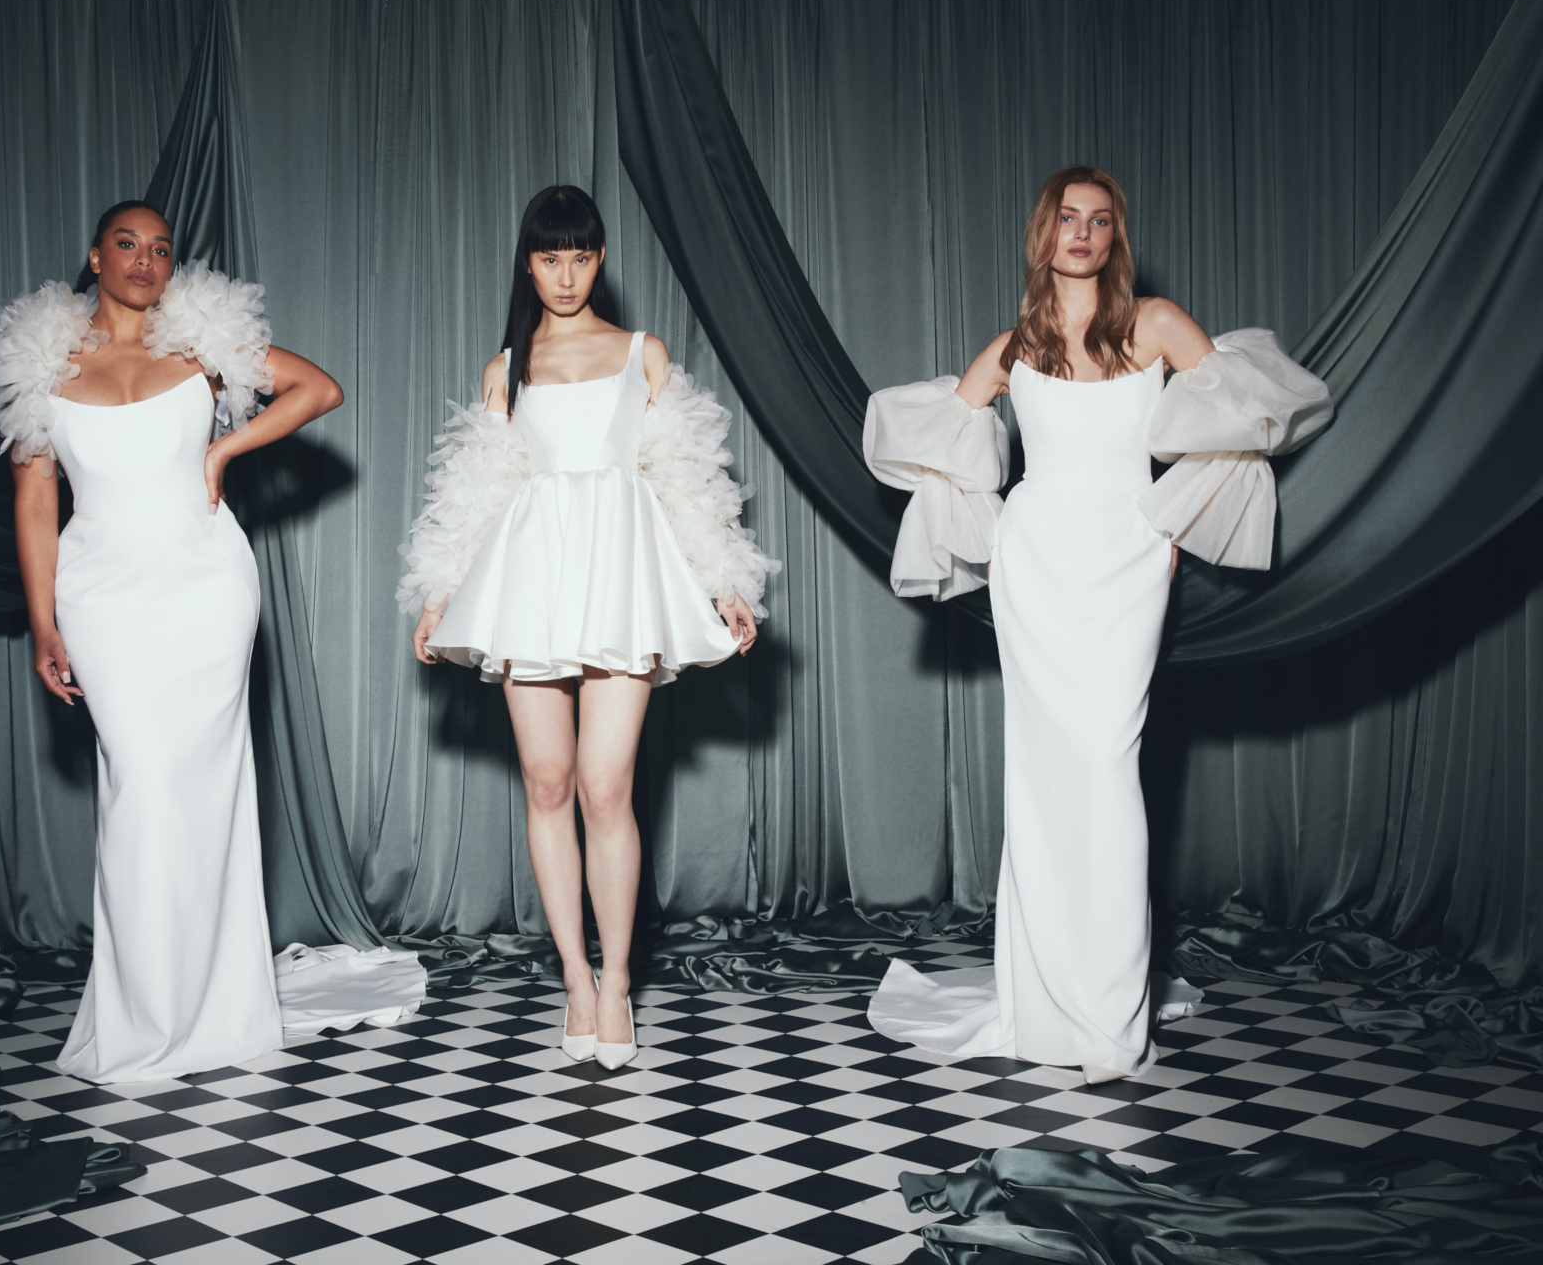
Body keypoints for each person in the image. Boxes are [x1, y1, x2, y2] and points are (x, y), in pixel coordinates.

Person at [862, 166, 1333, 1081]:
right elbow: (930, 449)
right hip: (1034, 569)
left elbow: (1255, 414)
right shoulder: (1011, 348)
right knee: (1040, 780)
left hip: (1124, 565)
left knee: (1110, 769)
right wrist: (992, 543)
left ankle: (1111, 1016)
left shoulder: (1154, 323)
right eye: (1067, 218)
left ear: (1116, 237)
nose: (1081, 233)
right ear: (1044, 236)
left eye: (1099, 220)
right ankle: (1041, 1002)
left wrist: (1174, 529)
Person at [399, 186, 777, 1071]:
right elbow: (477, 494)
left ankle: (616, 985)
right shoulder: (507, 367)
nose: (565, 275)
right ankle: (574, 976)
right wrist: (439, 592)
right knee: (546, 780)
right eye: (548, 257)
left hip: (620, 575)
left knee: (608, 788)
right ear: (527, 264)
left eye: (580, 256)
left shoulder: (643, 353)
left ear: (599, 260)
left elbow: (684, 472)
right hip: (531, 578)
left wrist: (723, 582)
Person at [0, 201, 350, 1083]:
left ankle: (221, 1008)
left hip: (207, 585)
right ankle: (142, 1017)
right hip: (101, 590)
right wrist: (42, 622)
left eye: (161, 249)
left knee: (205, 789)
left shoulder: (200, 348)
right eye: (127, 244)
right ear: (94, 257)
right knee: (141, 783)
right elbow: (36, 502)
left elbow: (318, 389)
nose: (145, 259)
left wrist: (224, 454)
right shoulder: (43, 366)